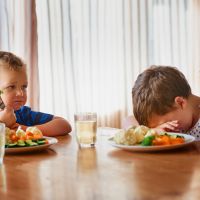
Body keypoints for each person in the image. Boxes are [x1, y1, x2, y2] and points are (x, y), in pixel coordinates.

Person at [0, 51, 72, 136]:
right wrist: (2, 123)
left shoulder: (24, 114)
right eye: (11, 86)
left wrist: (27, 130)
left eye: (24, 87)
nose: (20, 93)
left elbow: (64, 125)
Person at [127, 65, 200, 139]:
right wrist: (152, 131)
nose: (164, 130)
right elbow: (127, 120)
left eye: (167, 123)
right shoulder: (180, 114)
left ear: (180, 103)